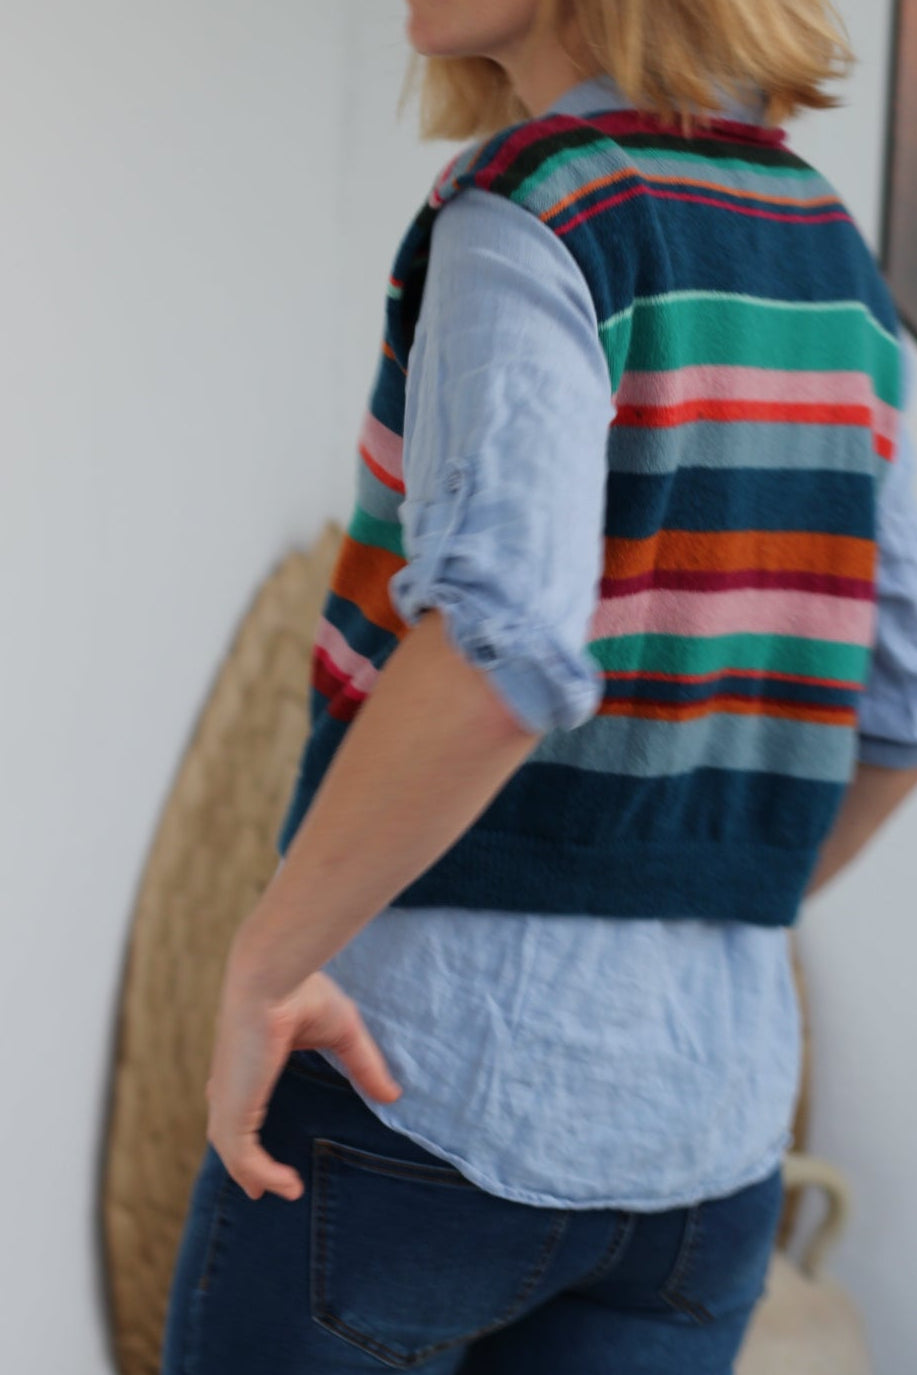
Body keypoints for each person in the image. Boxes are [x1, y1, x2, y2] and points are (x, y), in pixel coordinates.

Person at [160, 1, 917, 1371]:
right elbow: (904, 690)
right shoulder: (832, 254)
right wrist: (694, 912)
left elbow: (501, 644)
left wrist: (261, 967)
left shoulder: (533, 207)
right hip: (709, 1125)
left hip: (422, 1087)